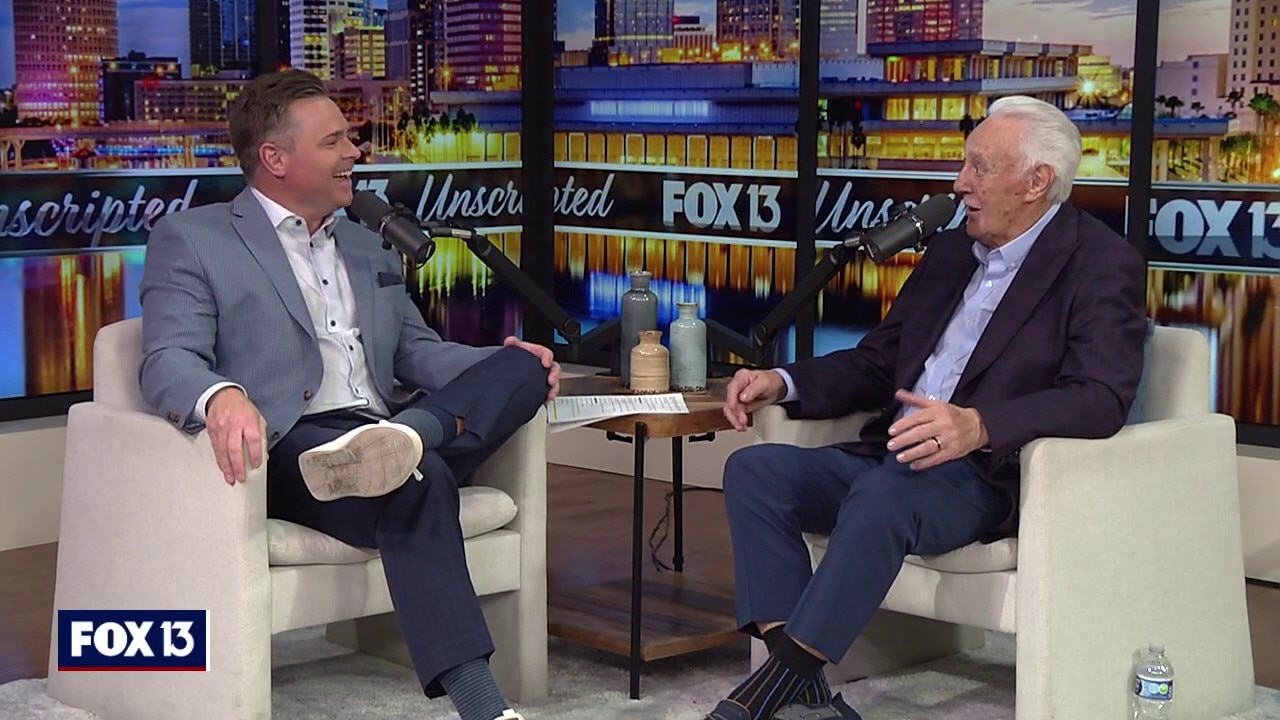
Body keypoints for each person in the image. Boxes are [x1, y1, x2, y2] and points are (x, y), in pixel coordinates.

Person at [707, 96, 1147, 720]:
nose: (960, 184)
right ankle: (802, 687)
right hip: (888, 456)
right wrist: (782, 381)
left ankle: (767, 694)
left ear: (1036, 182)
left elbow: (1100, 397)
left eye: (979, 168)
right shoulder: (950, 253)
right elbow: (879, 361)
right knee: (757, 472)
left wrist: (979, 426)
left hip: (981, 476)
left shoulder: (1100, 264)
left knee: (884, 495)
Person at [138, 69, 559, 720]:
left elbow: (417, 352)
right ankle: (484, 707)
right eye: (334, 141)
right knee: (419, 480)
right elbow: (167, 358)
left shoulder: (367, 244)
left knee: (522, 369)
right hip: (299, 449)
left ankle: (408, 438)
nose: (355, 153)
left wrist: (500, 366)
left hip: (391, 421)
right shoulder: (195, 239)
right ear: (276, 159)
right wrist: (221, 396)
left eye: (350, 139)